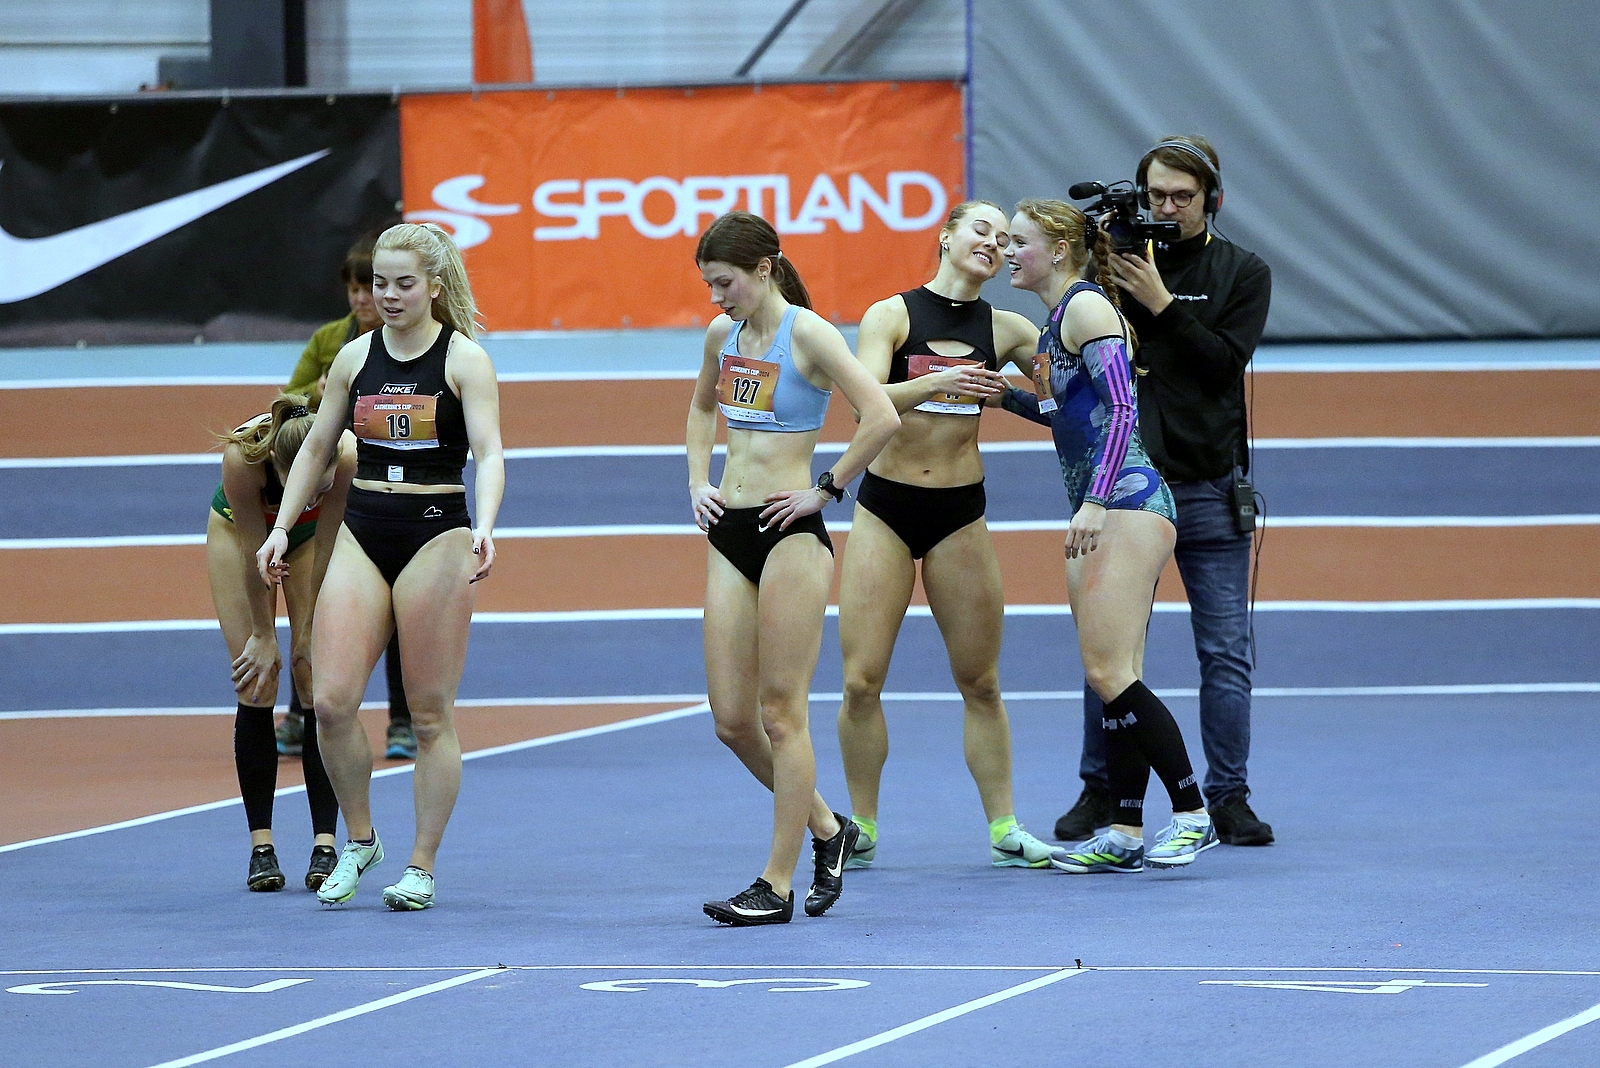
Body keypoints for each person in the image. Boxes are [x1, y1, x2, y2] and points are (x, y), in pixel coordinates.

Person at [258, 222, 504, 911]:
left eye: (404, 284)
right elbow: (316, 448)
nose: (388, 296)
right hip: (363, 530)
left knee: (428, 715)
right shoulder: (354, 357)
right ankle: (362, 840)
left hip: (436, 533)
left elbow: (490, 452)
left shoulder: (464, 361)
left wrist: (486, 525)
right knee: (330, 702)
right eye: (379, 284)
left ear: (434, 286)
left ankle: (421, 865)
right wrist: (281, 528)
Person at [1053, 136, 1274, 847]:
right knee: (1109, 650)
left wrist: (1163, 304)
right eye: (1156, 196)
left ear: (1213, 199)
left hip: (1207, 484)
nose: (1168, 208)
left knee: (1226, 652)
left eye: (1183, 196)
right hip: (1128, 493)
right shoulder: (1106, 267)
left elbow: (1223, 365)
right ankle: (1101, 791)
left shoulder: (1242, 270)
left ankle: (1229, 797)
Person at [688, 211, 900, 925]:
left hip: (790, 532)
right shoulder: (721, 335)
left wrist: (826, 489)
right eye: (710, 285)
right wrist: (697, 480)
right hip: (730, 529)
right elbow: (700, 409)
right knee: (732, 721)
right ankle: (830, 829)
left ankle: (774, 885)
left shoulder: (808, 333)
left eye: (726, 283)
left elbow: (880, 414)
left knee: (781, 714)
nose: (717, 297)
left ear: (765, 269)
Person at [834, 201, 1054, 871]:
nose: (993, 243)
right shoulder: (891, 316)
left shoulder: (1009, 329)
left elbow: (1065, 406)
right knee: (861, 682)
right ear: (946, 236)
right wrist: (942, 379)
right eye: (981, 230)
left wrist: (1008, 396)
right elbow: (864, 402)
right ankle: (861, 827)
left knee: (981, 681)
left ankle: (1005, 828)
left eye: (1005, 238)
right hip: (886, 508)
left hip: (960, 513)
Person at [997, 198, 1215, 873]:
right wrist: (1002, 397)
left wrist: (1094, 501)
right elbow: (1067, 415)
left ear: (1059, 249)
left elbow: (1123, 408)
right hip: (1102, 506)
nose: (1007, 252)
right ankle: (1123, 831)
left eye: (1019, 241)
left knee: (1109, 673)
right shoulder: (1053, 324)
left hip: (1126, 502)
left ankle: (1193, 813)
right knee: (1115, 677)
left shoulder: (1088, 307)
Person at [276, 231, 418, 764]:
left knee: (400, 610)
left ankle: (402, 719)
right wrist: (316, 396)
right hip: (331, 485)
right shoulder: (331, 344)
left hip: (388, 492)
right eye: (359, 289)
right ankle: (301, 713)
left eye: (372, 288)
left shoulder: (414, 345)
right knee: (315, 600)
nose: (364, 299)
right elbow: (287, 402)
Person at [207, 392, 354, 891]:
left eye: (320, 486)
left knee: (312, 677)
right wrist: (263, 634)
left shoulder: (345, 451)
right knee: (258, 680)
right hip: (240, 533)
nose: (312, 495)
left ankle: (325, 845)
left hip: (310, 540)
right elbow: (255, 550)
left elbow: (329, 541)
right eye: (303, 487)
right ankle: (261, 848)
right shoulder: (243, 458)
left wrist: (308, 633)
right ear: (279, 465)